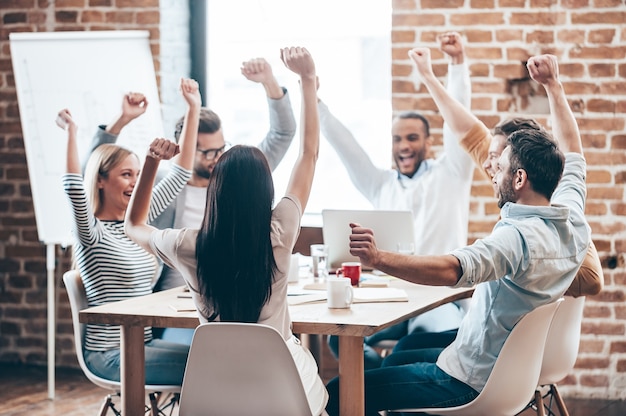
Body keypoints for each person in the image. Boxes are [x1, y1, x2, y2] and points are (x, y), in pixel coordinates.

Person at [324, 51, 591, 416]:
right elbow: (574, 153)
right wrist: (552, 86)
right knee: (400, 354)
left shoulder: (516, 239)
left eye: (500, 166)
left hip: (469, 382)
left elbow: (452, 269)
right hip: (509, 371)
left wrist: (378, 258)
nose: (491, 170)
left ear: (519, 178)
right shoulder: (572, 216)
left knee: (339, 391)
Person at [125, 46, 328, 415]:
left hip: (212, 388)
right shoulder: (280, 229)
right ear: (266, 190)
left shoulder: (188, 245)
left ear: (215, 191)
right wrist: (308, 80)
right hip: (281, 388)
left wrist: (152, 161)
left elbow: (133, 225)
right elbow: (308, 154)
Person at [321, 32, 474, 369]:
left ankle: (393, 388)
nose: (403, 145)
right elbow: (346, 148)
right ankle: (378, 387)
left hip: (438, 299)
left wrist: (456, 63)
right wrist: (315, 100)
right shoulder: (381, 184)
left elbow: (458, 125)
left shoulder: (451, 174)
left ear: (428, 143)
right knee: (339, 336)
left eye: (412, 138)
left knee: (412, 345)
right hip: (391, 298)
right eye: (396, 139)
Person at [56, 78, 201, 385]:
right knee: (208, 365)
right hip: (110, 354)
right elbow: (72, 186)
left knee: (212, 354)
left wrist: (193, 108)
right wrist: (71, 134)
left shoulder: (137, 222)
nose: (135, 182)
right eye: (125, 175)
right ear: (100, 181)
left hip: (142, 343)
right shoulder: (91, 233)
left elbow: (181, 173)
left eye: (138, 174)